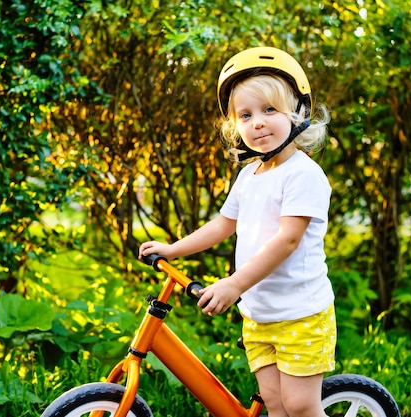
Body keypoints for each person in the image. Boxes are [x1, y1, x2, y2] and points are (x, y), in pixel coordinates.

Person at [138, 46, 335, 417]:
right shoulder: (249, 176)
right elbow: (223, 224)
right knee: (275, 404)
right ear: (236, 126)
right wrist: (173, 248)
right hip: (259, 314)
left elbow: (287, 240)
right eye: (245, 115)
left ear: (298, 113)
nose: (257, 122)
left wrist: (233, 284)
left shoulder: (303, 175)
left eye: (269, 110)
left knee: (300, 405)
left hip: (301, 314)